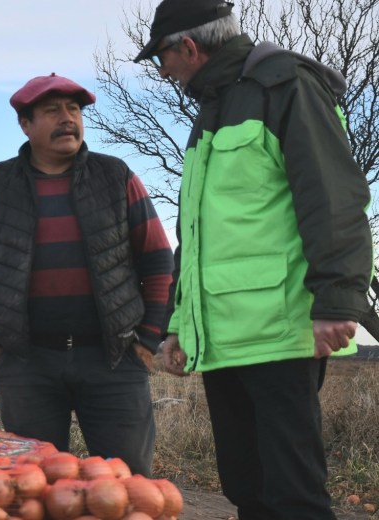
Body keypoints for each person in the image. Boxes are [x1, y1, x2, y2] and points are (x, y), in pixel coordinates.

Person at [133, 1, 372, 517]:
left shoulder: (285, 87)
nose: (163, 70)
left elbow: (333, 198)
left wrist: (337, 300)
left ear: (189, 47)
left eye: (162, 58)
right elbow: (197, 236)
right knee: (247, 490)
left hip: (282, 333)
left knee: (294, 496)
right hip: (226, 340)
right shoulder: (214, 108)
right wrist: (179, 326)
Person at [0, 73, 174, 476]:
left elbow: (159, 262)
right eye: (52, 111)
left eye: (74, 109)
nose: (67, 118)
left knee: (127, 488)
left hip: (114, 362)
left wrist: (146, 342)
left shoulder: (117, 177)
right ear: (25, 124)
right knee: (35, 491)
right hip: (26, 364)